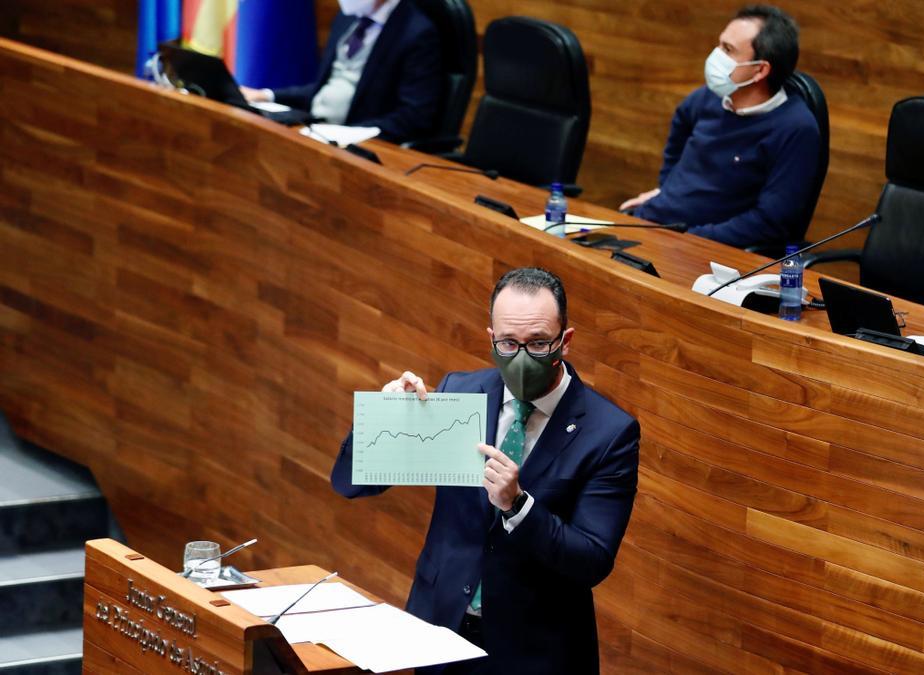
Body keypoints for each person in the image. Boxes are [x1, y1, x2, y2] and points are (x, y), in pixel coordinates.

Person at [330, 268, 640, 673]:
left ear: (566, 341)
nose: (523, 357)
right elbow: (349, 485)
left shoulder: (608, 432)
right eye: (509, 343)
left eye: (539, 343)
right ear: (491, 338)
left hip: (534, 653)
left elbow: (592, 560)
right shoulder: (460, 393)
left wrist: (518, 506)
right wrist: (383, 421)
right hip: (440, 634)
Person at [619, 4, 820, 250]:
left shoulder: (796, 129)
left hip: (700, 247)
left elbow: (770, 222)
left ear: (760, 70)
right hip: (653, 223)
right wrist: (665, 189)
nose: (715, 56)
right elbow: (680, 126)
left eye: (728, 50)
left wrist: (692, 238)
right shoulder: (707, 98)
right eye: (719, 44)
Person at [241, 0, 441, 143]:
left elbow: (415, 115)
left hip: (358, 141)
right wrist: (267, 95)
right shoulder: (347, 19)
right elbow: (326, 87)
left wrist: (352, 133)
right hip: (315, 129)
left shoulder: (416, 33)